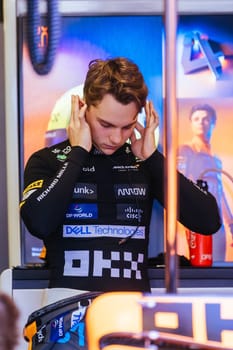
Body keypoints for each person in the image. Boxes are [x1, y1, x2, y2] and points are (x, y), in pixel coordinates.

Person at [20, 57, 221, 293]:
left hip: (130, 317)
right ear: (83, 109)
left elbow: (208, 221)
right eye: (105, 125)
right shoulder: (48, 160)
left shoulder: (144, 161)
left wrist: (154, 160)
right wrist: (77, 154)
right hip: (67, 314)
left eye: (127, 127)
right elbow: (38, 223)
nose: (116, 138)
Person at [177, 103, 233, 263]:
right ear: (191, 123)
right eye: (196, 119)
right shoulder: (186, 151)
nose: (201, 122)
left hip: (218, 226)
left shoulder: (216, 159)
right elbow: (178, 187)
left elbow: (220, 193)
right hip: (196, 224)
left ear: (213, 123)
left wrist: (231, 223)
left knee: (218, 268)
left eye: (205, 119)